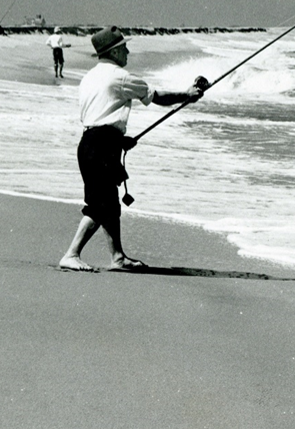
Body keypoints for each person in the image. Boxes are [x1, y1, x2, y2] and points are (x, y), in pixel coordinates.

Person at [58, 26, 206, 272]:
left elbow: (100, 114)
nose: (127, 52)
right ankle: (71, 254)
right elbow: (155, 96)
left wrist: (119, 139)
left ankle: (117, 257)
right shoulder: (120, 76)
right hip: (102, 145)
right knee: (100, 205)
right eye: (124, 47)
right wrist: (187, 95)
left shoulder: (89, 77)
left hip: (89, 143)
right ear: (114, 52)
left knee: (109, 203)